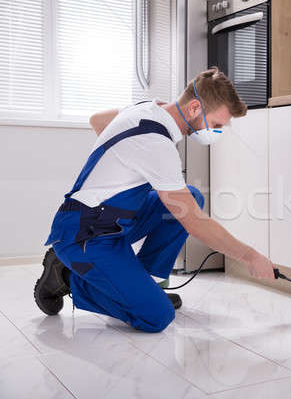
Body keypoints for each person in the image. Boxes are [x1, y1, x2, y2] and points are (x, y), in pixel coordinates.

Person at [34, 68, 275, 333]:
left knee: (188, 197)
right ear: (195, 108)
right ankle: (66, 277)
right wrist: (250, 257)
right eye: (216, 125)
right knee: (157, 317)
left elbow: (97, 120)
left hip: (110, 220)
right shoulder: (155, 143)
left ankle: (145, 284)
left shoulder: (148, 108)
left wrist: (122, 162)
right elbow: (195, 223)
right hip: (84, 233)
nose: (216, 132)